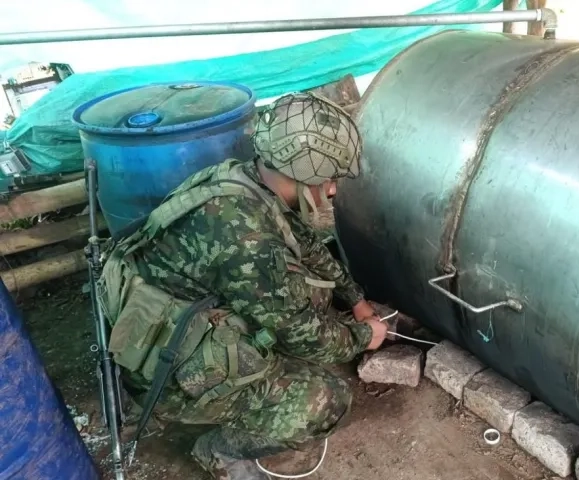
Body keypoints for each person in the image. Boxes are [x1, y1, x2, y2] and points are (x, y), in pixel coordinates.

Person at [97, 92, 389, 479]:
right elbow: (305, 338)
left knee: (312, 290)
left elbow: (306, 244)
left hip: (167, 316)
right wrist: (363, 336)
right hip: (165, 369)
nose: (332, 190)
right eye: (328, 179)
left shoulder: (244, 179)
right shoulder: (247, 240)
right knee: (325, 403)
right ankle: (218, 450)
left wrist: (354, 299)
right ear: (301, 174)